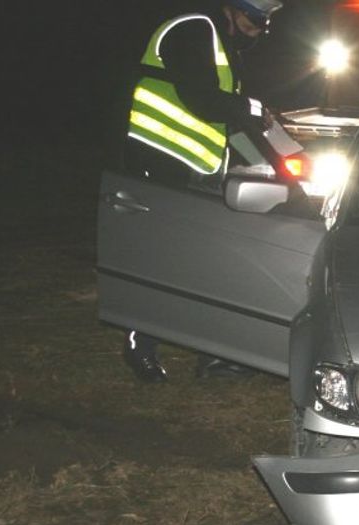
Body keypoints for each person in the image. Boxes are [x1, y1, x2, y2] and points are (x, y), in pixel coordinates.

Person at [122, 0, 285, 382]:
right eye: (257, 19)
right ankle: (140, 346)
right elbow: (201, 98)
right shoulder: (192, 30)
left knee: (204, 263)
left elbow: (230, 122)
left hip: (197, 170)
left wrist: (270, 161)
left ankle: (215, 354)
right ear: (232, 8)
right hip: (160, 163)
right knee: (161, 261)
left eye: (266, 23)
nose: (260, 29)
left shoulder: (224, 46)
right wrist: (253, 107)